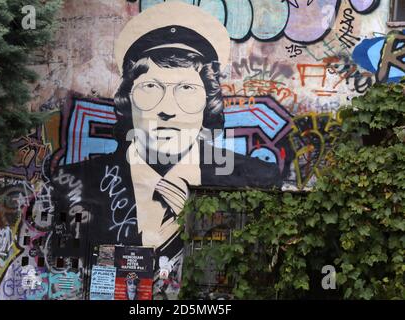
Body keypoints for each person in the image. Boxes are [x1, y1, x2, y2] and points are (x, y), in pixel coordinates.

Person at [50, 2, 280, 299]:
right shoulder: (73, 183)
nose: (167, 110)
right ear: (127, 101)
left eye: (186, 90)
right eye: (151, 88)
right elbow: (63, 278)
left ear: (208, 104)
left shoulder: (257, 180)